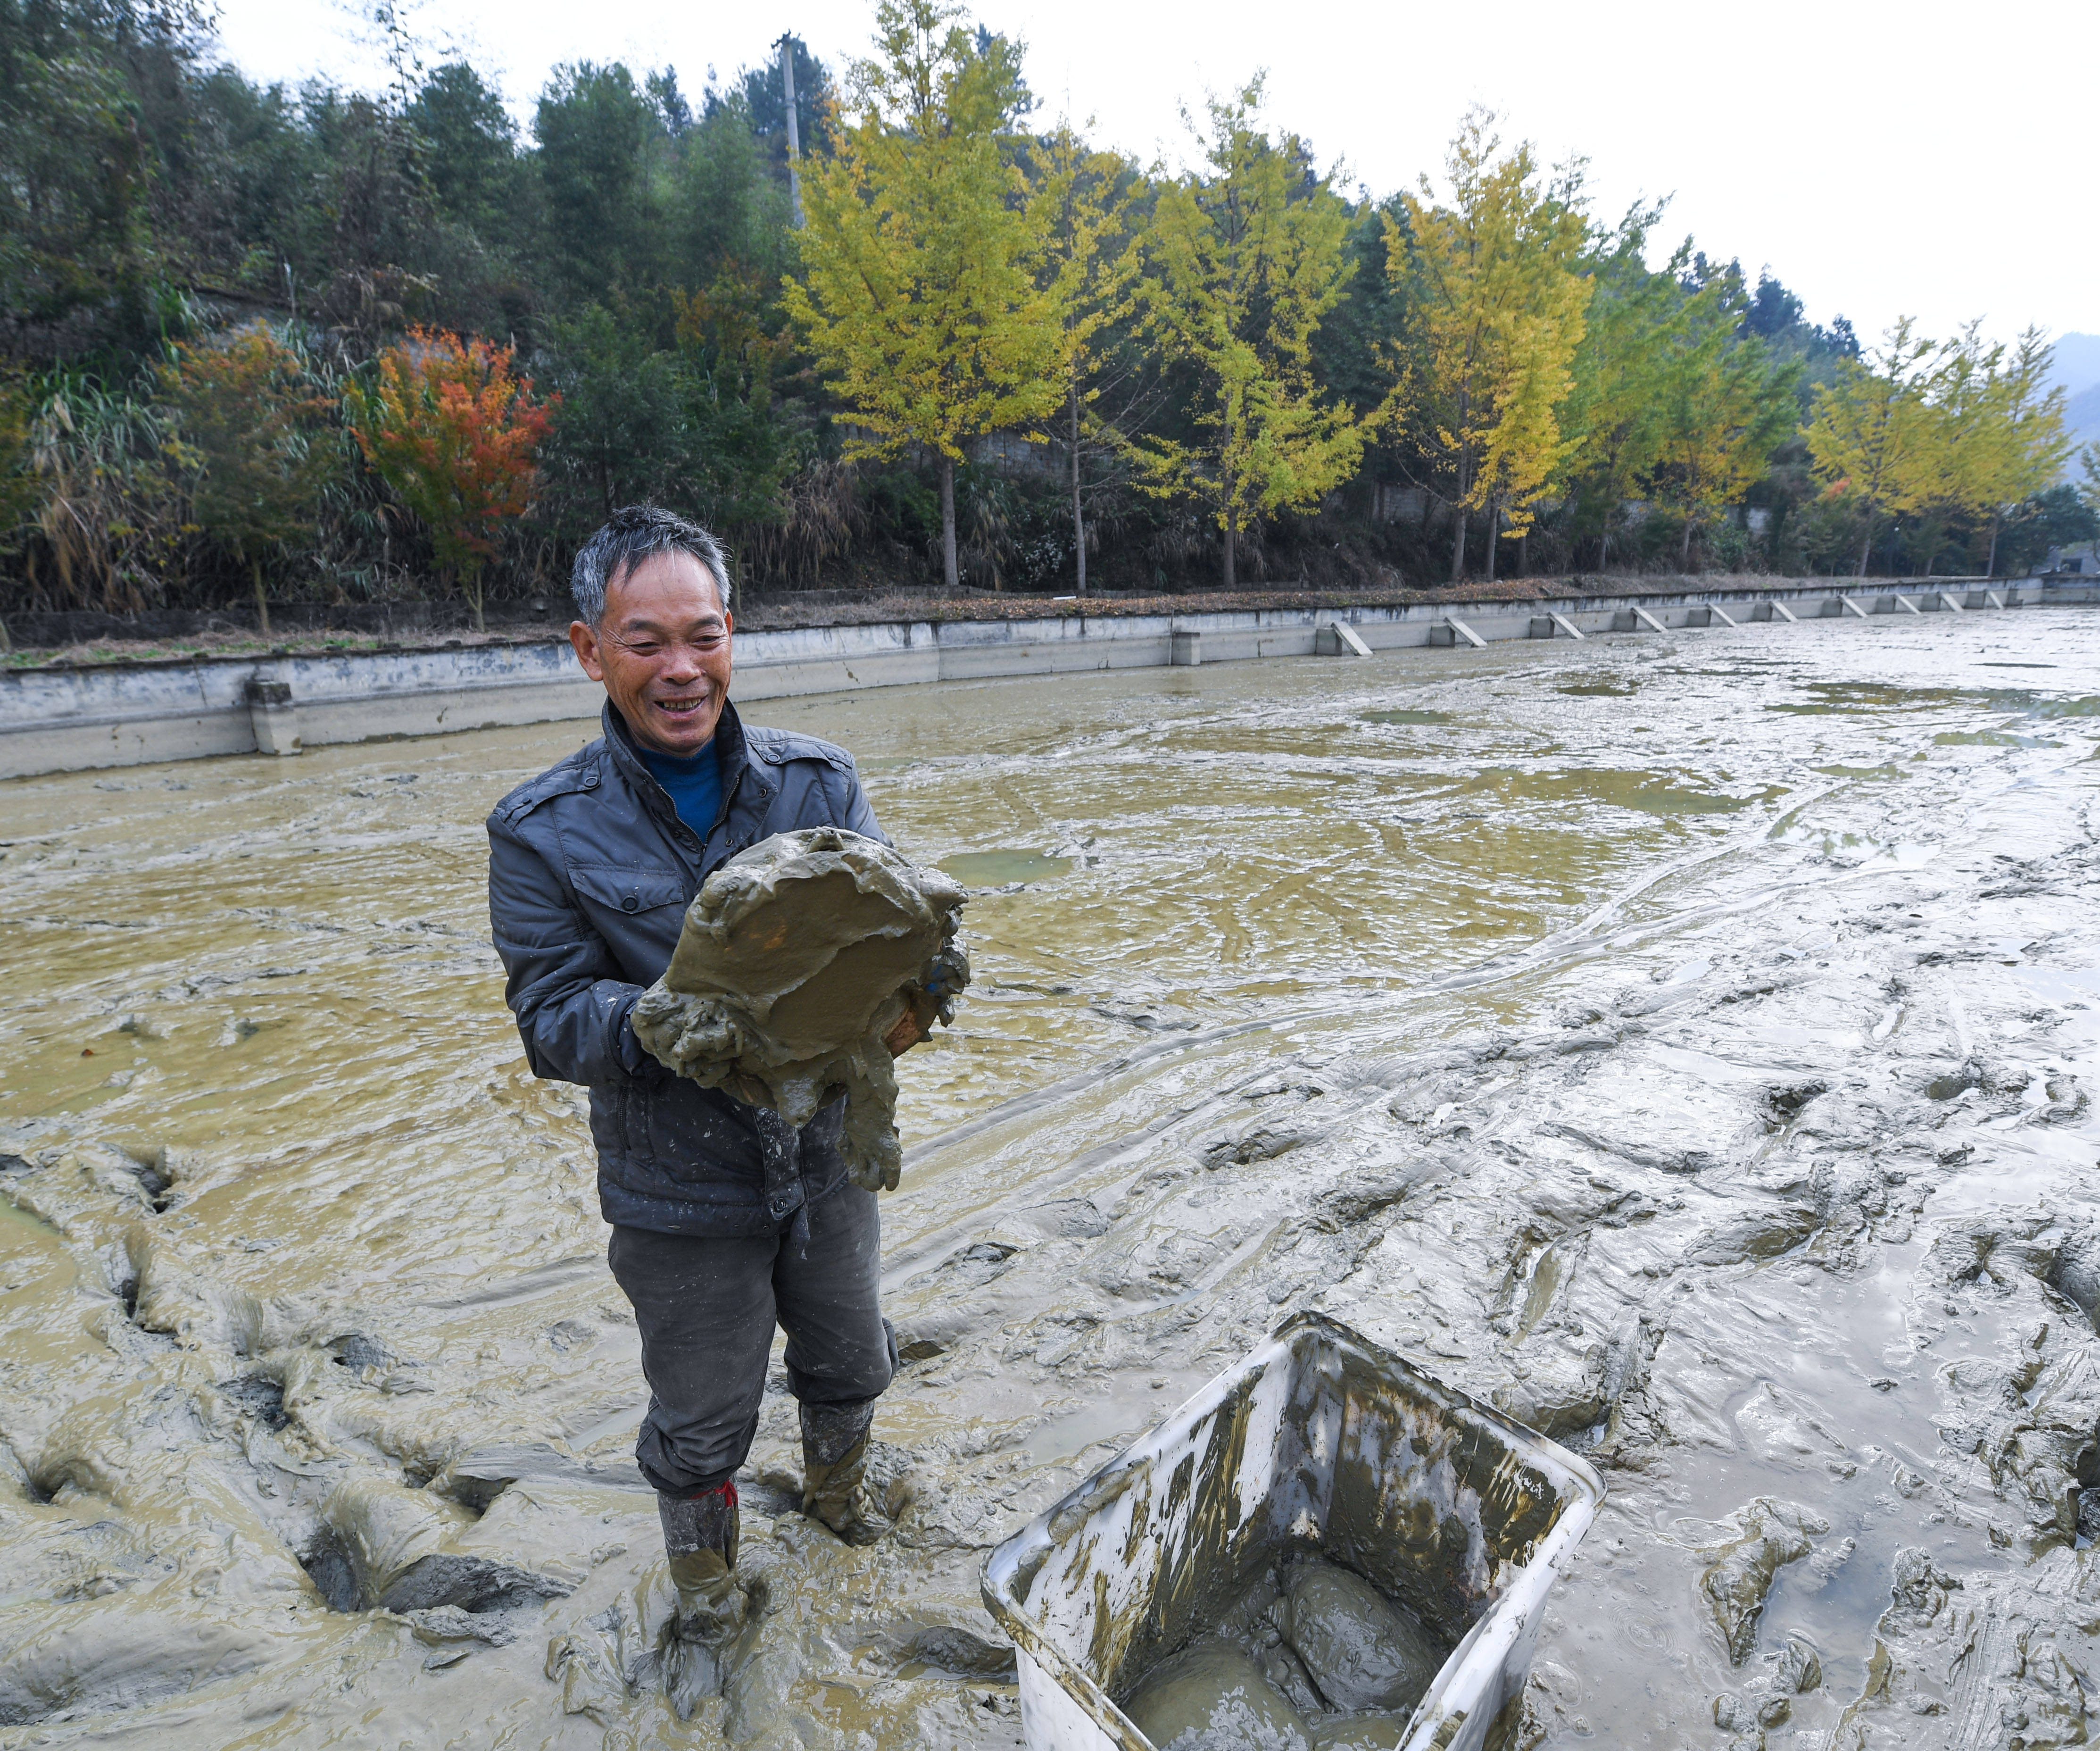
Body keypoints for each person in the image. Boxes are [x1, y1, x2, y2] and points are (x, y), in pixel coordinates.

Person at [485, 505, 924, 1651]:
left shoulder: (817, 784)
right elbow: (550, 1023)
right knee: (698, 1423)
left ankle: (838, 1500)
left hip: (825, 1157)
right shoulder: (539, 831)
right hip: (677, 1190)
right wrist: (688, 1017)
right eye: (646, 641)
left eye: (706, 634)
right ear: (590, 649)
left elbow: (892, 936)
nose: (682, 670)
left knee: (848, 1359)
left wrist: (910, 1007)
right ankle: (711, 1596)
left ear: (733, 634)